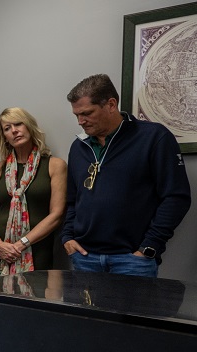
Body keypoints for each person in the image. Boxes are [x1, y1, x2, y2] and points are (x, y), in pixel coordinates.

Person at [61, 73, 191, 277]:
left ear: (111, 104)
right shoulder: (79, 147)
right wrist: (68, 237)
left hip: (132, 261)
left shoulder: (154, 137)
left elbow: (176, 197)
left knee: (131, 311)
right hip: (85, 258)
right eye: (76, 115)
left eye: (87, 113)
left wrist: (149, 247)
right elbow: (72, 200)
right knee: (84, 311)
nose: (80, 121)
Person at [0, 107, 67, 277]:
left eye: (18, 124)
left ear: (29, 126)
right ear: (4, 137)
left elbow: (56, 214)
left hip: (36, 249)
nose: (14, 131)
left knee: (34, 301)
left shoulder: (55, 165)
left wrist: (22, 244)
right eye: (7, 128)